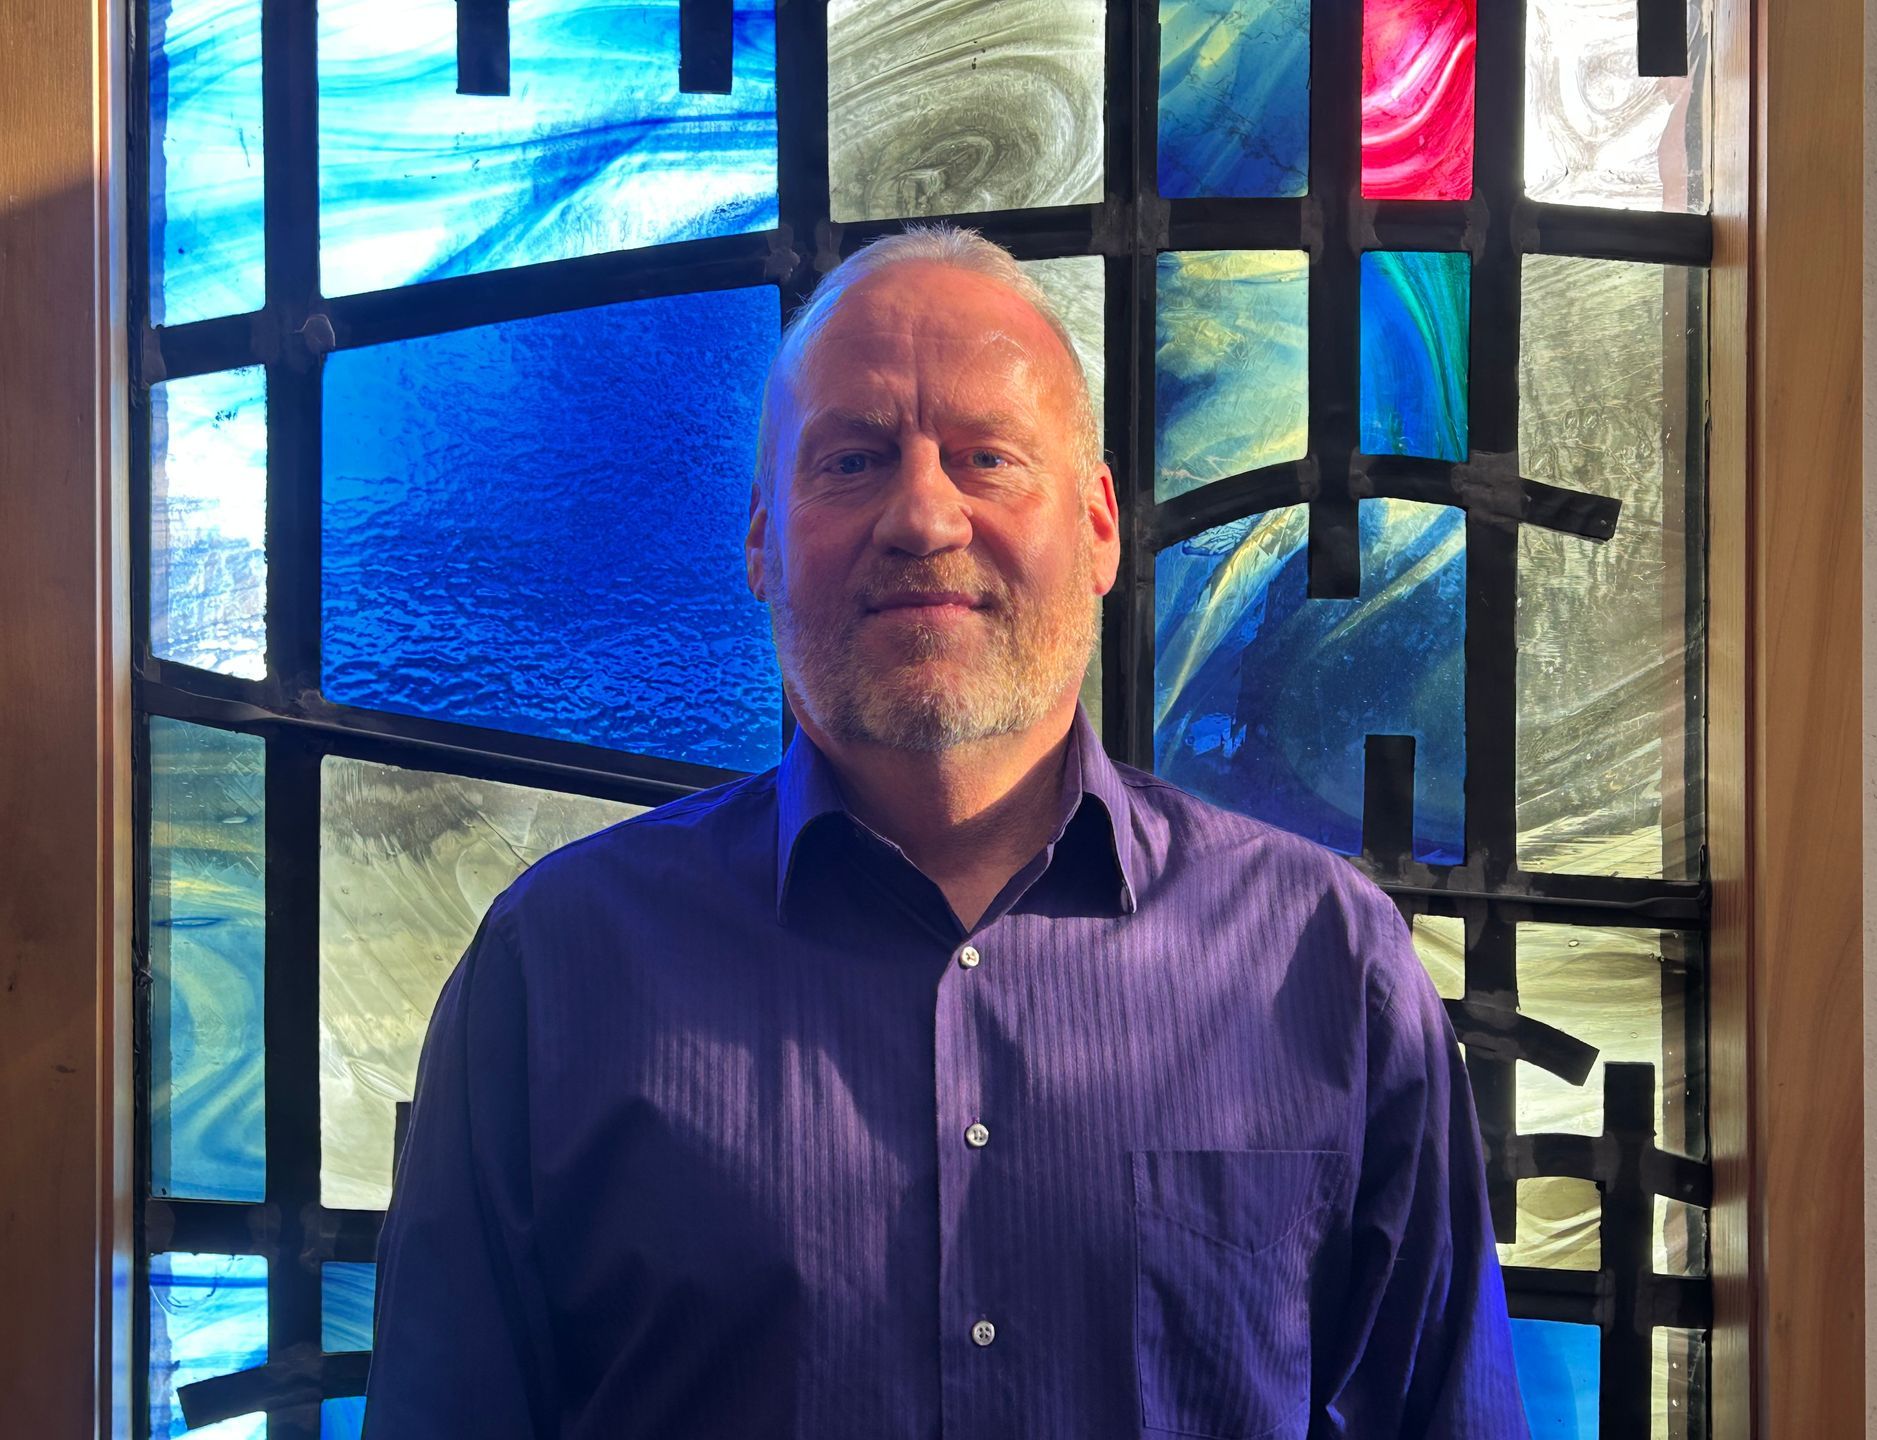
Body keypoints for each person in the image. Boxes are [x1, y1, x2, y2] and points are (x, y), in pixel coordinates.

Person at [361, 225, 1531, 1438]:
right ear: (762, 538)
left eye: (986, 458)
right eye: (854, 460)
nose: (923, 516)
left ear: (1099, 526)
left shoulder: (1325, 968)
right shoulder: (558, 973)